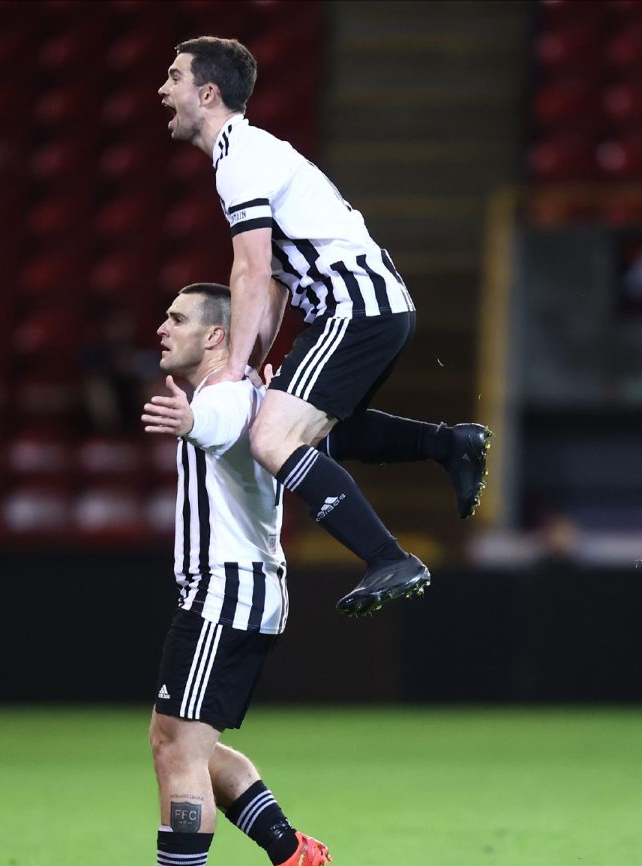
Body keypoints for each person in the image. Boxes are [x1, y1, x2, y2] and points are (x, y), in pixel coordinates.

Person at [158, 36, 491, 617]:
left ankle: (390, 557)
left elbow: (252, 268)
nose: (164, 90)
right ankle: (449, 444)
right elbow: (281, 281)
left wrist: (235, 369)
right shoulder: (251, 152)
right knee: (306, 431)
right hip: (368, 306)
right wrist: (261, 357)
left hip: (353, 308)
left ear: (208, 93)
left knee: (269, 439)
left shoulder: (238, 155)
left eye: (174, 77)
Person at [90, 283, 330, 866]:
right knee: (178, 741)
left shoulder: (223, 398)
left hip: (228, 591)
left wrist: (193, 421)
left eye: (178, 317)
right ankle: (291, 851)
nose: (162, 327)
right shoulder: (246, 391)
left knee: (177, 751)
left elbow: (218, 423)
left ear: (218, 335)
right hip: (239, 590)